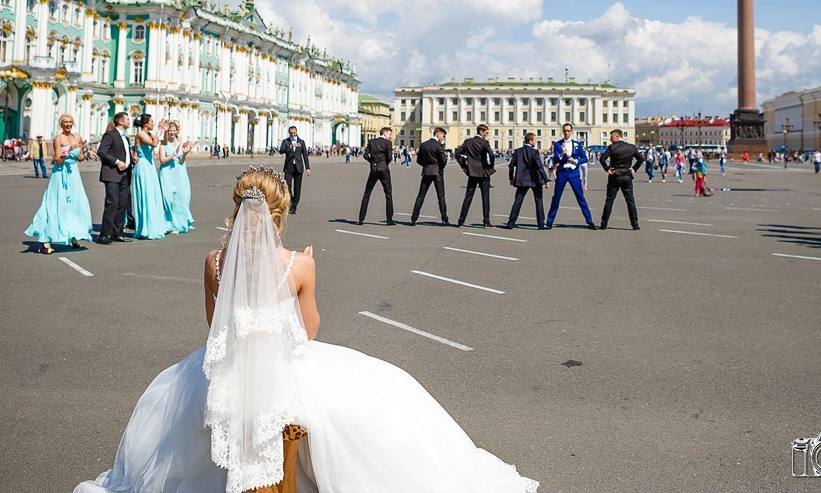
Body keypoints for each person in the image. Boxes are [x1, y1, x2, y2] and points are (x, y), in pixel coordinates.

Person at [74, 167, 538, 493]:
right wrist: (303, 267)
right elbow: (308, 331)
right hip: (284, 365)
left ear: (238, 212)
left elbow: (216, 328)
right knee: (384, 405)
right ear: (280, 214)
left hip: (231, 369)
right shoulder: (299, 264)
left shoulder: (214, 262)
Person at [26, 114, 95, 254]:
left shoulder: (78, 137)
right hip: (60, 174)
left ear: (73, 123)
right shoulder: (59, 138)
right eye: (65, 122)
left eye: (70, 122)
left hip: (74, 174)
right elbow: (57, 160)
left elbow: (79, 157)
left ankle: (72, 234)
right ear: (61, 124)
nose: (68, 124)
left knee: (76, 204)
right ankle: (44, 239)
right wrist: (68, 149)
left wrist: (87, 154)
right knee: (55, 204)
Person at [545, 123, 596, 230]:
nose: (566, 133)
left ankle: (589, 221)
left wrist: (575, 161)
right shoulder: (558, 144)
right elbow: (554, 160)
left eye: (568, 131)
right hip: (562, 173)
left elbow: (584, 159)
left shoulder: (577, 144)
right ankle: (549, 221)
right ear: (562, 132)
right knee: (556, 197)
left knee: (580, 197)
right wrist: (561, 155)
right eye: (565, 131)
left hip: (574, 173)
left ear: (571, 131)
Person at [96, 113, 135, 244]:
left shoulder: (126, 138)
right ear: (120, 121)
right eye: (128, 119)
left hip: (125, 174)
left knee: (122, 203)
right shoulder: (110, 134)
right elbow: (102, 152)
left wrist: (132, 160)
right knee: (112, 202)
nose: (130, 121)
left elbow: (125, 153)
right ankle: (104, 234)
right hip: (112, 173)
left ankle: (116, 233)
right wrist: (117, 161)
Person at [130, 114, 169, 240]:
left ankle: (153, 225)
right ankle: (144, 228)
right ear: (145, 123)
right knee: (145, 194)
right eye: (151, 121)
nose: (153, 123)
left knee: (152, 195)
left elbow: (163, 142)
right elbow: (153, 144)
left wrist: (165, 131)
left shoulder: (150, 134)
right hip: (142, 166)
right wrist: (159, 129)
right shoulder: (141, 134)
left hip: (150, 166)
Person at [598, 129, 644, 229]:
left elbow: (602, 159)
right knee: (630, 201)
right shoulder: (631, 147)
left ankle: (604, 224)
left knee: (609, 201)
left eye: (611, 137)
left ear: (617, 137)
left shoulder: (612, 147)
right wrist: (634, 168)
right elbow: (641, 159)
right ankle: (635, 224)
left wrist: (607, 169)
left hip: (615, 176)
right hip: (627, 176)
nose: (610, 139)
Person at [158, 120, 196, 234]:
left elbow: (181, 161)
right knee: (167, 199)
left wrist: (184, 153)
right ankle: (166, 224)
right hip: (166, 174)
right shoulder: (163, 144)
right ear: (167, 131)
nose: (172, 133)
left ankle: (176, 225)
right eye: (170, 130)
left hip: (177, 173)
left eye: (174, 131)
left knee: (178, 199)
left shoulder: (179, 142)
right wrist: (173, 155)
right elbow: (162, 160)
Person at [455, 124, 496, 228]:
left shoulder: (468, 142)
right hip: (483, 172)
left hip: (472, 172)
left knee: (468, 197)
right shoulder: (484, 142)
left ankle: (461, 221)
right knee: (485, 197)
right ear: (481, 132)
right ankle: (486, 221)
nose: (487, 134)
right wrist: (490, 166)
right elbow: (491, 155)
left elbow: (457, 153)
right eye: (486, 132)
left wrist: (464, 164)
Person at [505, 132, 547, 229]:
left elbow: (511, 165)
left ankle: (511, 223)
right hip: (535, 180)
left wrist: (511, 178)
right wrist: (545, 180)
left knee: (518, 201)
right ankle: (541, 224)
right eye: (535, 140)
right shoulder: (535, 152)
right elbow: (539, 167)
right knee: (539, 201)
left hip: (521, 180)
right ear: (530, 141)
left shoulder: (518, 151)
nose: (536, 142)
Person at [410, 127, 450, 226]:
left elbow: (419, 160)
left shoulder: (424, 145)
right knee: (441, 196)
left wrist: (426, 165)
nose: (443, 138)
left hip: (427, 171)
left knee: (421, 196)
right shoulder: (438, 146)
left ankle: (414, 219)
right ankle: (444, 219)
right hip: (437, 172)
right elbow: (443, 161)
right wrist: (440, 166)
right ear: (438, 134)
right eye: (443, 136)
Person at [358, 127, 395, 226]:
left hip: (373, 169)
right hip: (384, 170)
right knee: (388, 194)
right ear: (385, 133)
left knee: (367, 193)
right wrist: (384, 164)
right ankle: (389, 220)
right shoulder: (387, 143)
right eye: (389, 134)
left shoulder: (371, 142)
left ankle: (361, 218)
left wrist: (372, 162)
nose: (390, 136)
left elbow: (365, 155)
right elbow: (390, 157)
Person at [278, 126, 310, 214]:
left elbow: (305, 155)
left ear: (296, 132)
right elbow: (281, 151)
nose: (293, 135)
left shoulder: (301, 142)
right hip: (289, 168)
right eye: (291, 133)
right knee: (287, 187)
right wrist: (289, 147)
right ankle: (291, 201)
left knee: (297, 189)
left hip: (299, 168)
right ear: (289, 133)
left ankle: (294, 206)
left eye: (294, 133)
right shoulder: (286, 141)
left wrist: (308, 168)